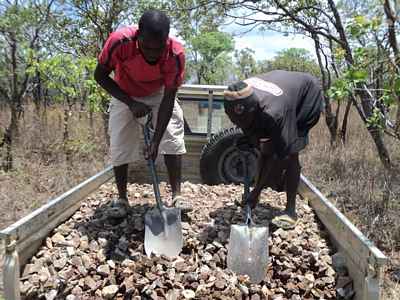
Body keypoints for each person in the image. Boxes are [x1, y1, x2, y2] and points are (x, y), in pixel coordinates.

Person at [94, 9, 191, 218]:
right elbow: (99, 76)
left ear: (166, 40)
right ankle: (122, 199)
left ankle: (177, 196)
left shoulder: (175, 54)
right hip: (125, 92)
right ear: (138, 37)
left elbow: (168, 99)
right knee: (120, 143)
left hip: (159, 94)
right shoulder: (119, 42)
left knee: (172, 137)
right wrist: (130, 103)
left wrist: (156, 141)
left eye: (158, 48)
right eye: (146, 47)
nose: (152, 53)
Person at [224, 70, 323, 229]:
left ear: (254, 109)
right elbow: (251, 128)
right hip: (282, 92)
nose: (238, 125)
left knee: (290, 155)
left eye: (244, 121)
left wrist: (256, 191)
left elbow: (278, 156)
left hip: (306, 98)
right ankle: (256, 193)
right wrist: (251, 139)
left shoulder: (274, 114)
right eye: (235, 120)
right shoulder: (238, 95)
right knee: (266, 148)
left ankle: (291, 211)